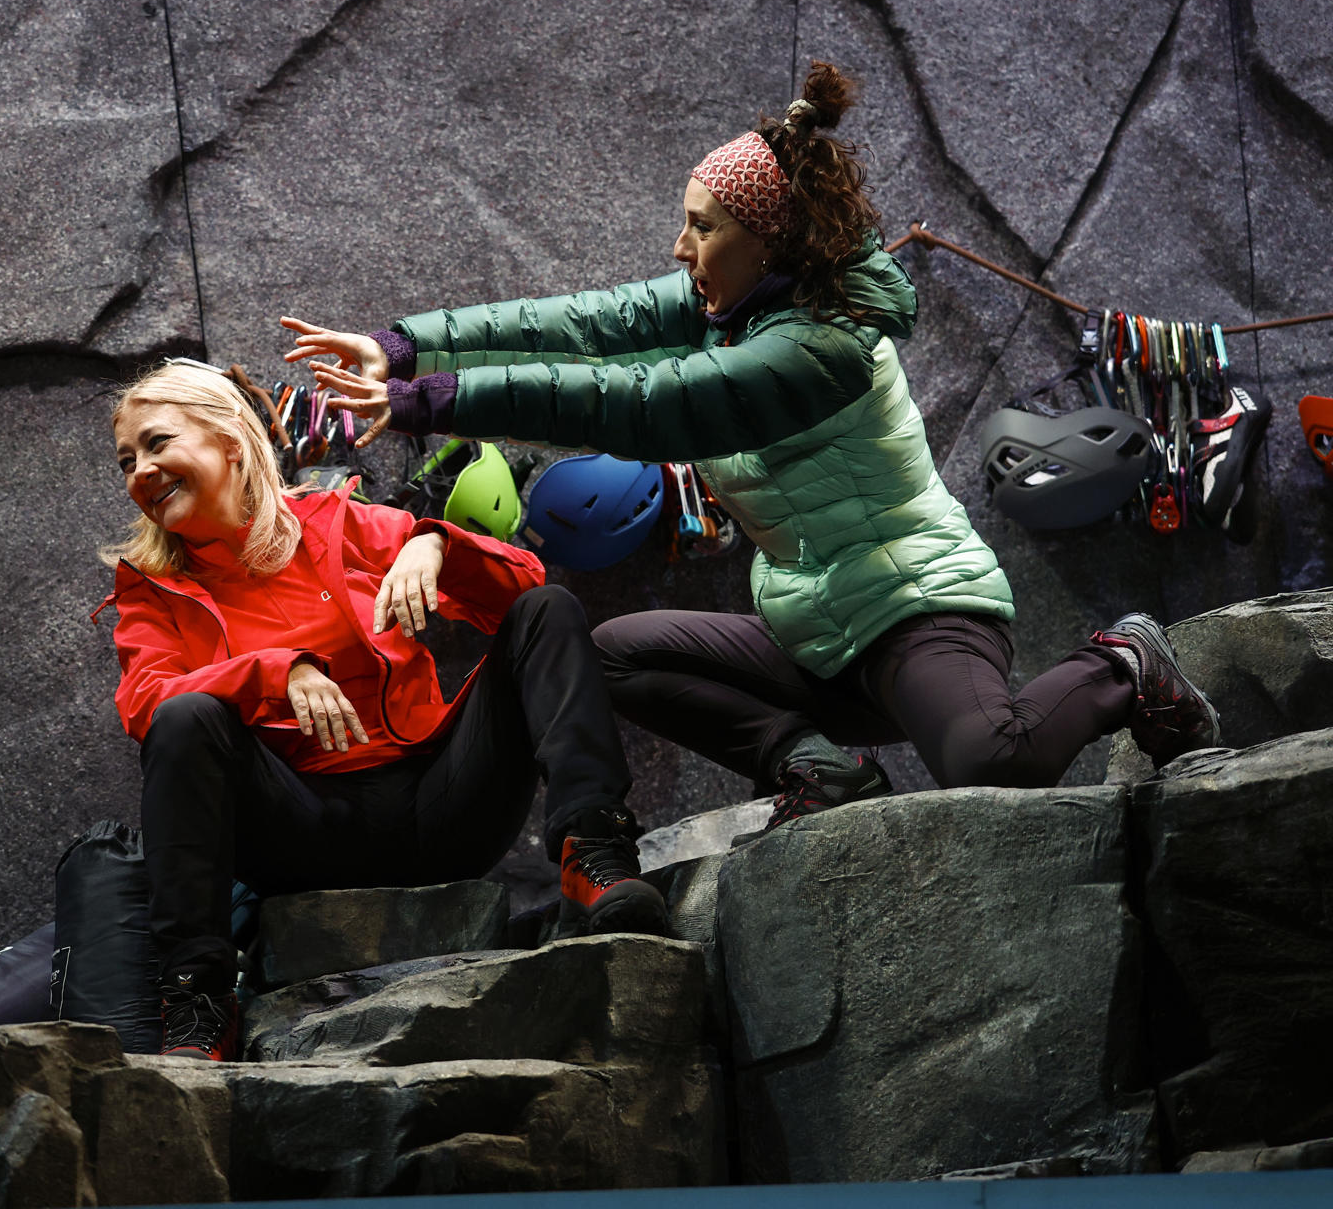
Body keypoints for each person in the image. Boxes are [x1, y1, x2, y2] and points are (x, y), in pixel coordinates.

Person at [286, 61, 1220, 835]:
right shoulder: (723, 306)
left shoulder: (821, 348)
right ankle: (819, 769)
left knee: (990, 762)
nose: (680, 245)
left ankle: (1125, 662)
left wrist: (424, 405)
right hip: (814, 636)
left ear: (767, 243)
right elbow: (580, 325)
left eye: (702, 226)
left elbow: (635, 404)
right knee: (611, 654)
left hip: (916, 611)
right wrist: (404, 347)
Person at [97, 360, 664, 1061]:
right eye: (127, 460)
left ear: (228, 443)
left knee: (546, 612)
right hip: (300, 835)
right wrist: (276, 673)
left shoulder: (337, 522)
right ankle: (197, 997)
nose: (141, 472)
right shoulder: (151, 589)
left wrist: (437, 545)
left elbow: (523, 584)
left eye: (157, 444)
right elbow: (146, 702)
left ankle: (594, 852)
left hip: (442, 807)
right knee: (184, 720)